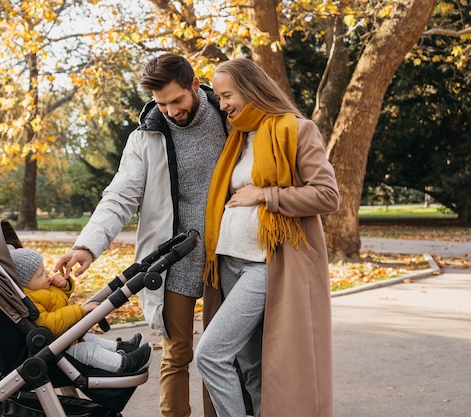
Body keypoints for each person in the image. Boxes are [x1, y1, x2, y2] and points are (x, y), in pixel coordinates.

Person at [55, 53, 227, 417]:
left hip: (227, 253)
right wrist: (87, 246)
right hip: (174, 257)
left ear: (195, 85)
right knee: (177, 353)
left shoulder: (229, 116)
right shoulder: (147, 135)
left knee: (226, 353)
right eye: (162, 104)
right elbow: (120, 196)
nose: (171, 111)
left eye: (177, 100)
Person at [195, 58, 339, 417]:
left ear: (251, 88)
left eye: (228, 95)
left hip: (267, 265)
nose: (223, 104)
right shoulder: (237, 138)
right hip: (229, 261)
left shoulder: (298, 130)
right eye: (219, 96)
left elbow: (327, 195)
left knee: (211, 354)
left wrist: (265, 194)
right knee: (253, 367)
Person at [7, 245, 151, 374]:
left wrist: (63, 286)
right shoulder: (30, 300)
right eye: (40, 274)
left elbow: (59, 300)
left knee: (89, 338)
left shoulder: (40, 289)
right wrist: (80, 310)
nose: (46, 273)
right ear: (24, 285)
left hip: (64, 338)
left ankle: (121, 347)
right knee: (88, 351)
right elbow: (50, 324)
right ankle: (124, 364)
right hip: (57, 347)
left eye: (44, 268)